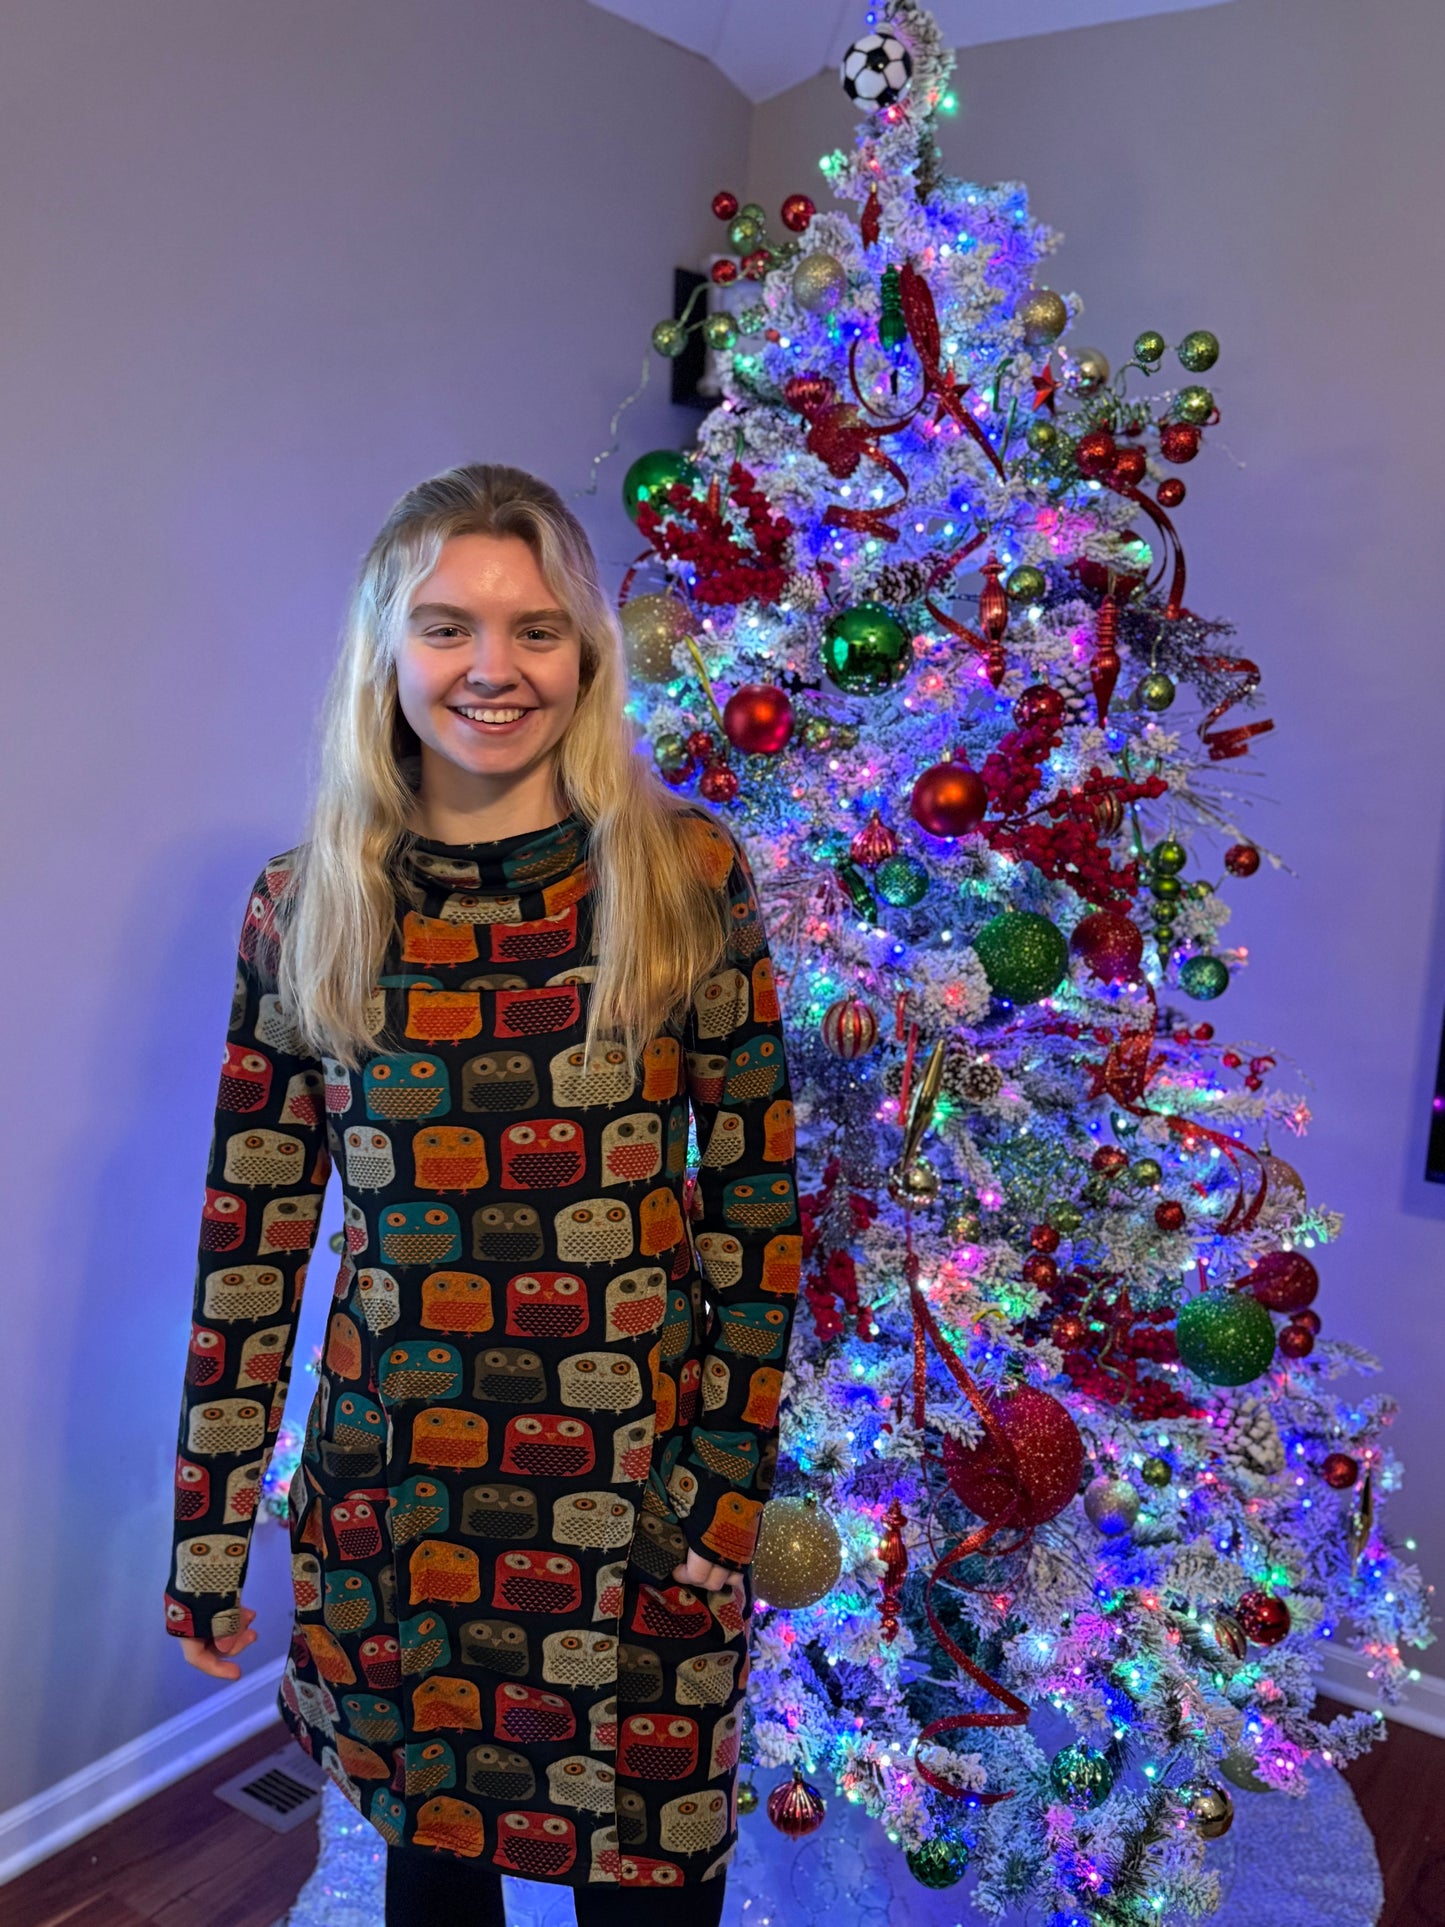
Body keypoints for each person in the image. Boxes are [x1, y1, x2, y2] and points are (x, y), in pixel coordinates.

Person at [164, 463, 801, 1926]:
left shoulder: (685, 877)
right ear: (388, 653)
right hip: (400, 1506)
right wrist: (210, 1537)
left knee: (650, 1890)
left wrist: (718, 1498)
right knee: (435, 1881)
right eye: (447, 627)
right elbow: (250, 1238)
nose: (492, 669)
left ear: (586, 655)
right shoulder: (305, 905)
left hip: (639, 1506)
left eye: (536, 629)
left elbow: (756, 1212)